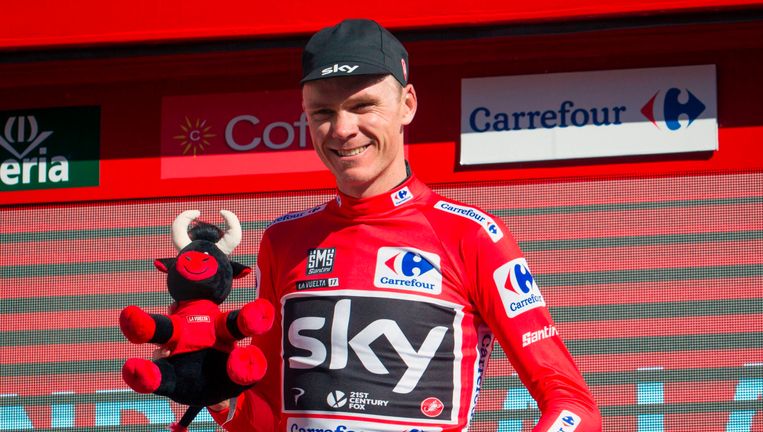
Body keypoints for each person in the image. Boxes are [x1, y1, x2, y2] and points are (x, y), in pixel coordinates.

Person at [207, 18, 602, 432]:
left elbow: (573, 406)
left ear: (407, 105)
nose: (342, 129)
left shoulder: (470, 235)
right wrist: (214, 392)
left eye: (362, 106)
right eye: (323, 111)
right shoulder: (283, 240)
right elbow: (261, 419)